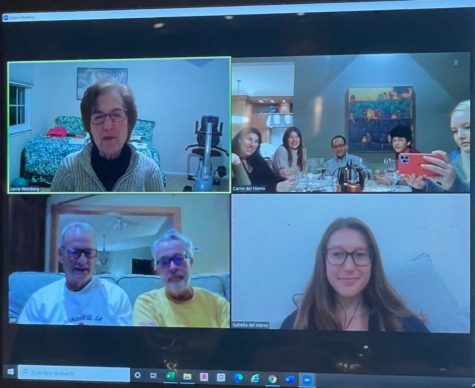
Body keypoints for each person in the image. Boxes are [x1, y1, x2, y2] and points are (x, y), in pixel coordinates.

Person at [281, 218, 429, 332]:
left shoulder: (407, 326)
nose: (349, 267)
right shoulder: (295, 325)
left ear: (373, 262)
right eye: (337, 254)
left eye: (359, 255)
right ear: (323, 261)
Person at [51, 81, 164, 192]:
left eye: (116, 115)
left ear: (129, 122)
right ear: (89, 126)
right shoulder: (69, 167)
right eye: (98, 117)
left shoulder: (150, 172)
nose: (108, 126)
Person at [18, 222, 132, 325]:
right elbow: (24, 344)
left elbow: (127, 344)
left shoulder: (117, 297)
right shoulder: (40, 301)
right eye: (74, 252)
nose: (82, 261)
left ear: (96, 257)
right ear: (61, 255)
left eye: (88, 253)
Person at [133, 230, 229, 328]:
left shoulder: (218, 304)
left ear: (190, 262)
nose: (172, 267)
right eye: (164, 262)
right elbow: (147, 342)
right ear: (157, 269)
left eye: (178, 259)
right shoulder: (146, 304)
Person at [405, 100, 470, 193]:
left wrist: (453, 183)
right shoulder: (455, 161)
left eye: (468, 127)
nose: (460, 135)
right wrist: (424, 186)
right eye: (454, 131)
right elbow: (447, 194)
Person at [231, 127, 294, 192]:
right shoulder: (232, 159)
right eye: (249, 139)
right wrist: (275, 187)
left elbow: (270, 178)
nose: (252, 144)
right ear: (239, 140)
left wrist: (285, 179)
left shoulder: (256, 158)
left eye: (256, 141)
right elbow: (242, 189)